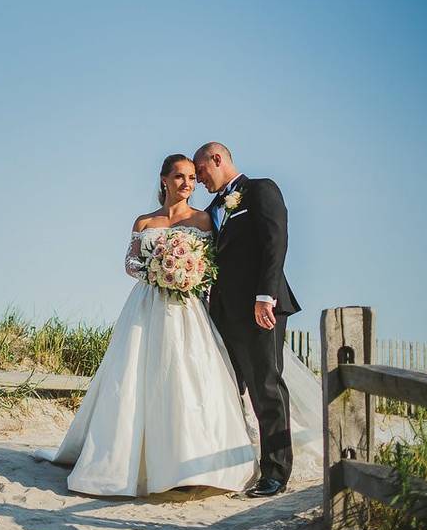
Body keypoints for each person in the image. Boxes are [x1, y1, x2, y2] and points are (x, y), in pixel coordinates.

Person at [33, 154, 259, 496]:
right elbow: (130, 263)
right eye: (180, 177)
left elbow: (212, 267)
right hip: (146, 305)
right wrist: (158, 272)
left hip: (189, 309)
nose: (187, 183)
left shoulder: (203, 220)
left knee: (190, 378)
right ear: (164, 180)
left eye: (192, 178)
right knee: (136, 376)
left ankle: (194, 463)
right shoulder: (144, 221)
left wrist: (187, 275)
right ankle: (127, 463)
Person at [193, 141, 300, 498]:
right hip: (223, 313)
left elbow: (275, 242)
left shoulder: (260, 190)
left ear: (217, 159)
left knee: (265, 386)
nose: (197, 180)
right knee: (228, 389)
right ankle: (237, 464)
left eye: (201, 171)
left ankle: (276, 472)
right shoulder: (212, 208)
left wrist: (265, 296)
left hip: (260, 309)